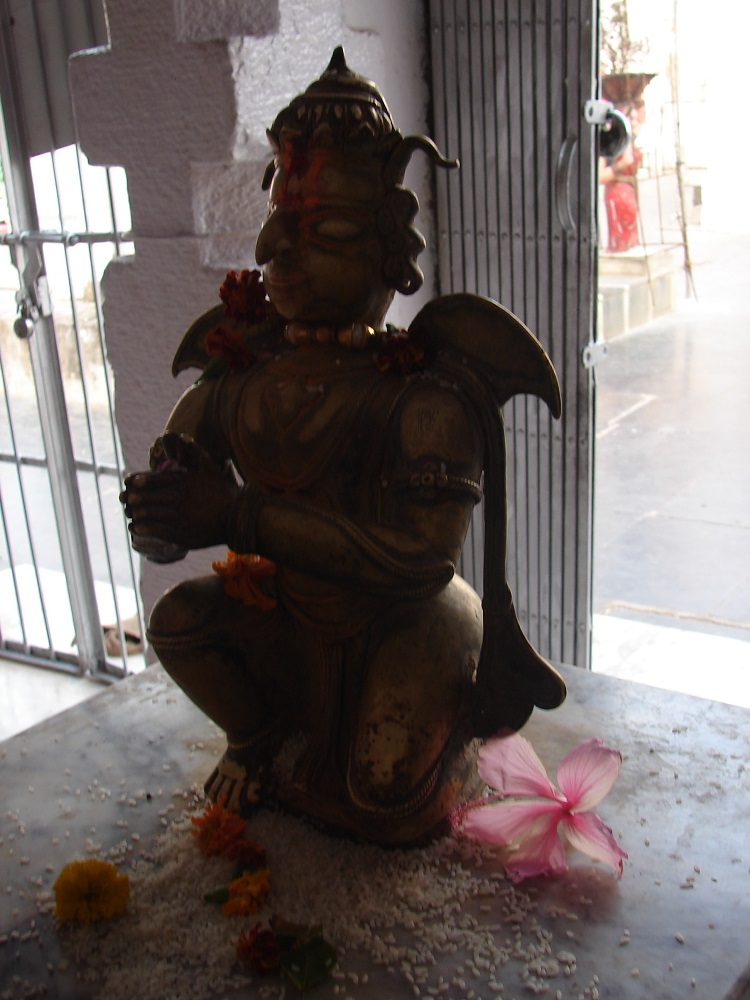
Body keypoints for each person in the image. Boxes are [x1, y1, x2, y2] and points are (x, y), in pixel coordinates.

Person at [121, 49, 565, 845]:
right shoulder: (240, 371)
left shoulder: (424, 392)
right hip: (291, 607)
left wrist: (235, 515)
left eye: (323, 231)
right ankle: (259, 736)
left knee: (386, 798)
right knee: (177, 622)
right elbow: (176, 475)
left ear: (390, 253)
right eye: (277, 226)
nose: (276, 252)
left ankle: (446, 748)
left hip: (411, 619)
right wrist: (160, 512)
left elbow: (420, 563)